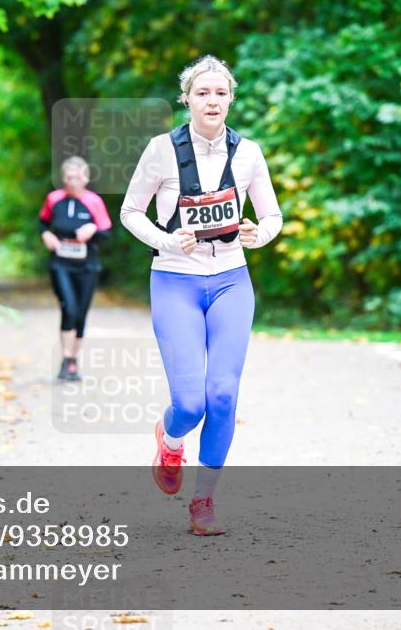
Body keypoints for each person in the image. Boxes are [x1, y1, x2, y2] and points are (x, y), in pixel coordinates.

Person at [120, 55, 283, 536]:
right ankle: (171, 441)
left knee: (224, 394)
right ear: (187, 98)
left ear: (231, 99)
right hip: (174, 279)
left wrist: (260, 234)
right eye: (202, 93)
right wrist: (166, 240)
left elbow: (272, 217)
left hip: (232, 278)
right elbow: (131, 212)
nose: (212, 101)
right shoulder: (160, 150)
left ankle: (204, 501)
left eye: (221, 93)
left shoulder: (249, 153)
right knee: (190, 403)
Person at [39, 156, 113, 382]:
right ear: (63, 178)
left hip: (87, 265)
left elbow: (108, 233)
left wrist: (92, 230)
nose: (73, 182)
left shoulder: (94, 202)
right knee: (68, 308)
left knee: (80, 313)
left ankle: (71, 361)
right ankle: (67, 357)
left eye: (78, 177)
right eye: (69, 178)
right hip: (60, 263)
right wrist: (47, 234)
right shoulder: (54, 199)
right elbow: (42, 222)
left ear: (86, 177)